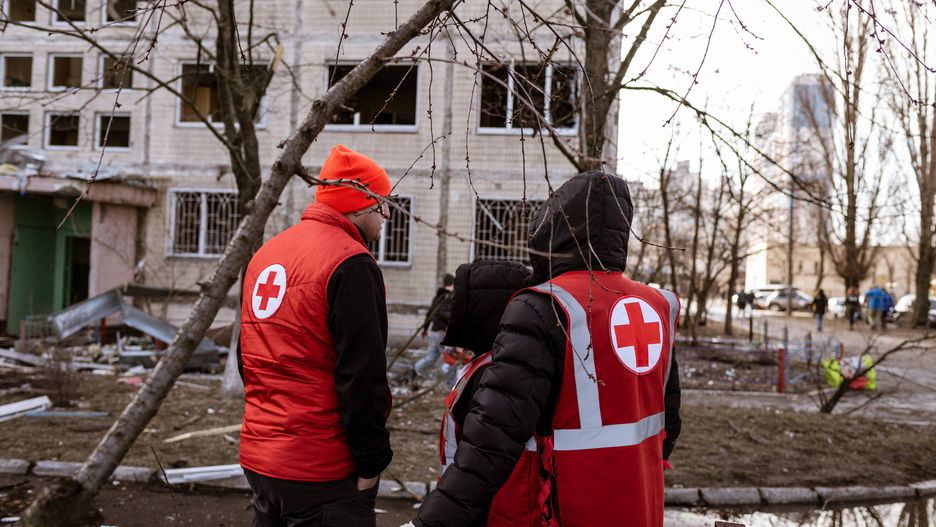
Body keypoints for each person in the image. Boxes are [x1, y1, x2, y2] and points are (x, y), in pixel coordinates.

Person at [409, 171, 682, 527]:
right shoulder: (658, 306)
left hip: (568, 508)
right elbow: (668, 424)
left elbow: (492, 441)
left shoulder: (544, 305)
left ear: (554, 230)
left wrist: (431, 523)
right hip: (640, 507)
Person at [239, 144, 393, 527]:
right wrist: (372, 463)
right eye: (382, 203)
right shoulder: (350, 263)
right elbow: (362, 378)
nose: (387, 214)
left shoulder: (265, 255)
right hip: (321, 469)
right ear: (359, 204)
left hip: (261, 458)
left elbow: (249, 360)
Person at [437, 259, 537, 527]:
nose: (454, 308)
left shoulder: (498, 375)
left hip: (481, 511)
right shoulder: (487, 365)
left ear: (482, 310)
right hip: (466, 504)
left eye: (461, 300)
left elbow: (484, 460)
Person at [414, 274, 455, 382]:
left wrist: (425, 329)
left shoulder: (437, 297)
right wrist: (454, 319)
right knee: (450, 358)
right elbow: (443, 314)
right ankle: (451, 384)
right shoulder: (447, 297)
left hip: (434, 332)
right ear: (451, 284)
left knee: (431, 357)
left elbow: (429, 314)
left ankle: (418, 369)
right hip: (441, 333)